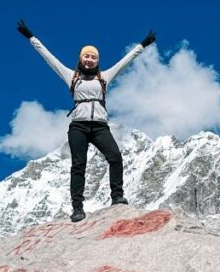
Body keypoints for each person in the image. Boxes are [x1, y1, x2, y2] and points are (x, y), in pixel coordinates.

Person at [16, 19, 156, 222]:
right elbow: (49, 58)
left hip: (100, 126)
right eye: (86, 56)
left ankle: (117, 196)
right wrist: (30, 37)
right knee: (78, 165)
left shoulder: (104, 77)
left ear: (97, 61)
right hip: (78, 126)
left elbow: (125, 61)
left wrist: (143, 45)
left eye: (93, 57)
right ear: (80, 59)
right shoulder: (71, 77)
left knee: (115, 156)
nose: (89, 60)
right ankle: (77, 208)